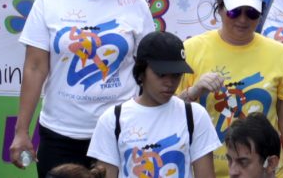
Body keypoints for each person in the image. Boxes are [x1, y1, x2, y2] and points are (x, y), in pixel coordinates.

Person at [10, 0, 157, 172]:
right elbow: (35, 68)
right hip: (60, 135)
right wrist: (21, 131)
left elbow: (148, 67)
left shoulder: (135, 3)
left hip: (121, 133)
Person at [182, 0, 283, 176]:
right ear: (220, 8)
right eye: (234, 12)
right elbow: (166, 114)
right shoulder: (191, 50)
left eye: (251, 13)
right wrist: (193, 91)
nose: (243, 19)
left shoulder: (282, 55)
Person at [95, 30, 222, 178]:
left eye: (176, 75)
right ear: (141, 72)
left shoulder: (195, 115)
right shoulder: (112, 119)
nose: (169, 82)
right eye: (161, 74)